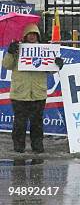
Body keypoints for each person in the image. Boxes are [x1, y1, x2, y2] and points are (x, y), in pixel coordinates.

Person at [3, 23, 63, 153]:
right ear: (25, 36)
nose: (32, 36)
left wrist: (57, 64)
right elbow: (6, 65)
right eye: (29, 34)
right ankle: (18, 148)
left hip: (38, 93)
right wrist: (10, 52)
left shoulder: (45, 50)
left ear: (38, 36)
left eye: (34, 34)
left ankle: (38, 148)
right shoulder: (17, 49)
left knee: (37, 123)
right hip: (20, 93)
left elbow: (51, 70)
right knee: (20, 123)